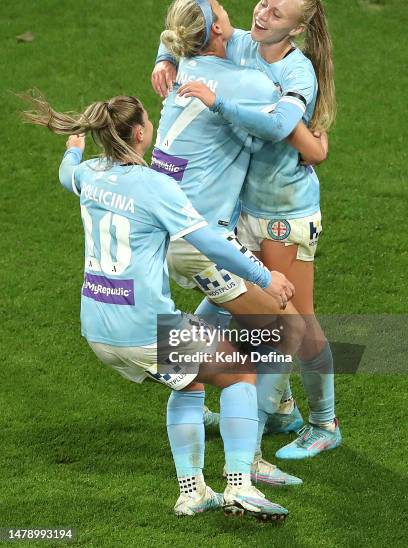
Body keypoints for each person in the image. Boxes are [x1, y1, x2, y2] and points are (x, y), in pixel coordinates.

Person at [22, 92, 290, 521]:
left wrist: (73, 148)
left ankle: (193, 492)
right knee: (240, 371)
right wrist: (264, 277)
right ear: (142, 134)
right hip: (146, 329)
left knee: (188, 382)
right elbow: (209, 243)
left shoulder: (89, 174)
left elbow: (65, 173)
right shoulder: (155, 187)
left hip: (97, 327)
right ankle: (241, 484)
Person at [152, 0, 341, 460]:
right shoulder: (241, 43)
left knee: (294, 321)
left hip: (283, 210)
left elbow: (280, 127)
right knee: (233, 309)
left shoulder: (298, 71)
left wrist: (219, 103)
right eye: (261, 3)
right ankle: (274, 412)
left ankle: (323, 423)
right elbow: (188, 23)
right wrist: (163, 58)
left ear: (297, 27)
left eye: (276, 14)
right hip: (241, 212)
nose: (261, 16)